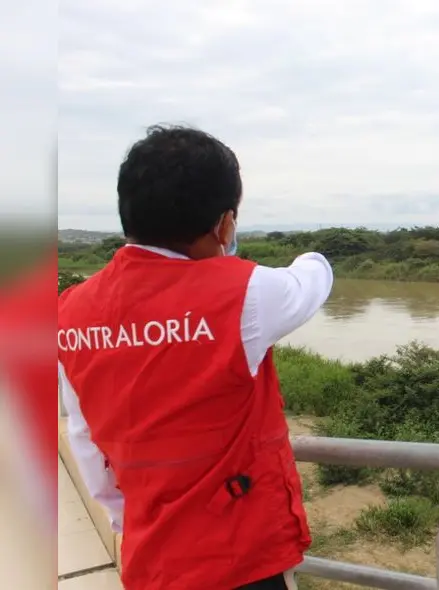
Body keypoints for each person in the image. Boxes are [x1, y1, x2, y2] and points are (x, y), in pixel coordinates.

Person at [57, 125, 334, 589]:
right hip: (244, 558)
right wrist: (314, 256)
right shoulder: (246, 293)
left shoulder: (69, 311)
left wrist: (128, 519)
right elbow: (312, 280)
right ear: (224, 224)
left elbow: (84, 437)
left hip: (153, 561)